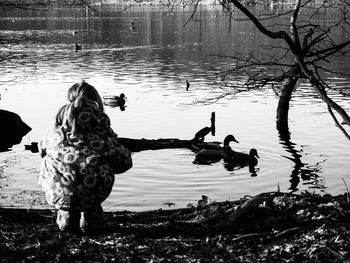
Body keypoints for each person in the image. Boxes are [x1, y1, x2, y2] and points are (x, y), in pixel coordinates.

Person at [38, 80, 132, 233]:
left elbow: (42, 148)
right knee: (97, 168)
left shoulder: (55, 131)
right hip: (94, 189)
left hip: (59, 190)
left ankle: (66, 213)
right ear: (97, 103)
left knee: (49, 160)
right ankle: (92, 215)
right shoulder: (102, 131)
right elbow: (124, 161)